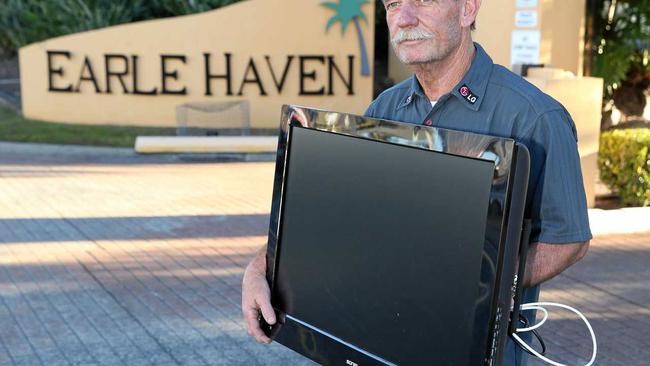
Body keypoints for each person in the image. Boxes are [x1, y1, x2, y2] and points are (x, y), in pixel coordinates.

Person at [242, 0, 592, 365]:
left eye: (423, 1)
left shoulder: (536, 118)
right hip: (379, 338)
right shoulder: (384, 109)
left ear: (468, 9)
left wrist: (482, 290)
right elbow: (338, 217)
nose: (405, 18)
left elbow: (568, 240)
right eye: (393, 4)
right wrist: (259, 268)